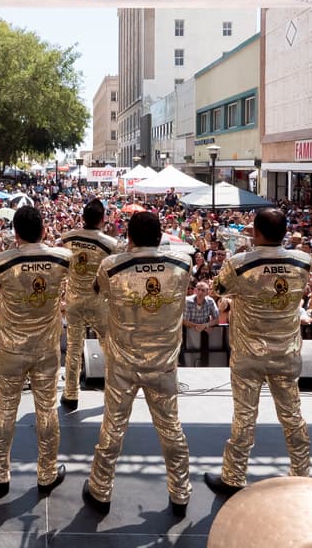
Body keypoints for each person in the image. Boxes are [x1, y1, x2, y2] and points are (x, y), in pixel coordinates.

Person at [83, 211, 192, 517]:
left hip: (123, 363)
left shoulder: (111, 266)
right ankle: (180, 492)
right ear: (161, 237)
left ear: (128, 237)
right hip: (164, 363)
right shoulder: (184, 263)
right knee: (171, 428)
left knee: (113, 428)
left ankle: (100, 490)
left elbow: (98, 291)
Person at [205, 208, 312, 497]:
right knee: (292, 415)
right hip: (287, 352)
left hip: (249, 354)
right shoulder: (303, 261)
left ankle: (234, 476)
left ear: (255, 231)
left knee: (244, 416)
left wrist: (241, 255)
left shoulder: (240, 262)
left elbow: (218, 289)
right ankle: (302, 473)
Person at [0, 206, 72, 496]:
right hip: (46, 349)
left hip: (11, 349)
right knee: (46, 410)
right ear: (44, 230)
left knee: (5, 410)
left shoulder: (3, 261)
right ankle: (46, 473)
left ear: (16, 233)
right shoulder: (62, 258)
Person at [56, 199, 117, 408]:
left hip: (73, 300)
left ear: (83, 217)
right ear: (103, 219)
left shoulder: (68, 237)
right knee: (109, 345)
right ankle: (114, 391)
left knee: (73, 347)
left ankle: (71, 393)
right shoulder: (110, 244)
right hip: (98, 301)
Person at [182, 281, 221, 365]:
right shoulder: (187, 301)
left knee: (205, 359)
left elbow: (217, 319)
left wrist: (205, 325)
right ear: (195, 290)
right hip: (189, 335)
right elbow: (184, 321)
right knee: (189, 358)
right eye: (198, 289)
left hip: (204, 336)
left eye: (203, 290)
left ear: (207, 292)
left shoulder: (210, 301)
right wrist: (201, 326)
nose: (200, 292)